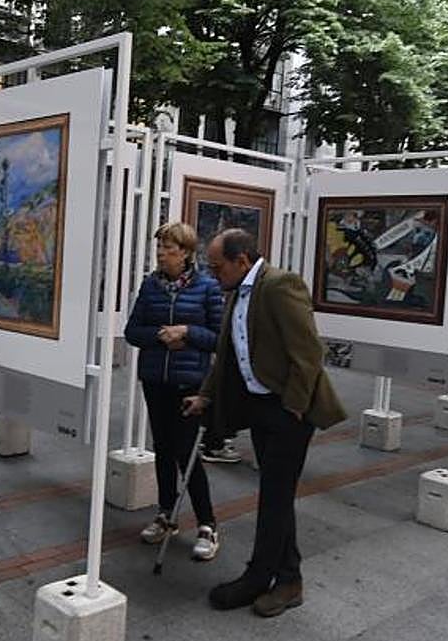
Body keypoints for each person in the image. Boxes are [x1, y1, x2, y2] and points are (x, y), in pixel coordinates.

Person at [182, 228, 346, 616]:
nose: (213, 274)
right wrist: (206, 394)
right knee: (276, 496)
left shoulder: (279, 286)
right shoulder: (237, 291)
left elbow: (309, 353)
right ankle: (288, 580)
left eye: (217, 267)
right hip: (260, 407)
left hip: (288, 410)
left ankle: (260, 578)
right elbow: (228, 353)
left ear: (241, 261)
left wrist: (293, 405)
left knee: (274, 496)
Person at [124, 222, 224, 560]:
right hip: (156, 381)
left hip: (189, 383)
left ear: (186, 253)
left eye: (169, 248)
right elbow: (133, 331)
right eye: (159, 248)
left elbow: (219, 337)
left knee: (187, 451)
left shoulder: (208, 287)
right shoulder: (150, 286)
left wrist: (188, 332)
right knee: (163, 449)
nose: (162, 254)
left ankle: (208, 524)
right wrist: (159, 336)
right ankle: (166, 514)